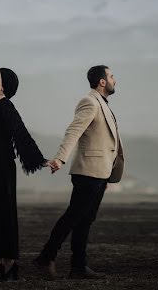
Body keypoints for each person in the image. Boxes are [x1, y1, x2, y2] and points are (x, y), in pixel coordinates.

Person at [33, 65, 124, 280]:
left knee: (85, 220)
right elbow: (73, 131)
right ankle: (45, 258)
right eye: (111, 76)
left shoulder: (103, 104)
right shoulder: (90, 102)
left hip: (101, 172)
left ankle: (79, 267)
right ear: (102, 81)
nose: (114, 80)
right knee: (73, 216)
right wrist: (60, 158)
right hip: (88, 172)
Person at [0, 67, 48, 282]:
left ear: (4, 85)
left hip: (3, 168)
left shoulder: (6, 106)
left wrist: (41, 161)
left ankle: (3, 262)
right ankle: (3, 262)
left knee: (4, 214)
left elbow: (21, 133)